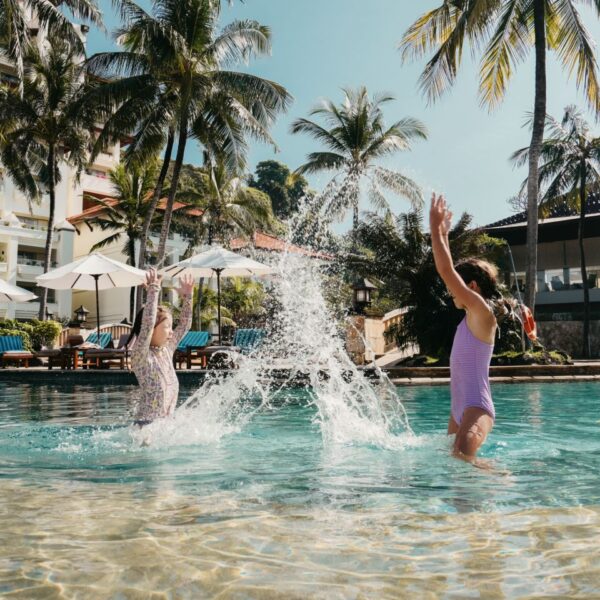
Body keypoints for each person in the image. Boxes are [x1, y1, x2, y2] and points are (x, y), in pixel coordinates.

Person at [429, 194, 497, 462]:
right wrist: (443, 235)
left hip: (476, 409)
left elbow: (446, 271)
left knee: (465, 460)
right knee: (456, 471)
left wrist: (434, 229)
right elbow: (449, 271)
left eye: (455, 287)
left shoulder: (483, 314)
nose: (450, 292)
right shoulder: (468, 320)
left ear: (472, 287)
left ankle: (507, 487)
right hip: (458, 411)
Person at [128, 268, 194, 426]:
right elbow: (147, 325)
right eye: (168, 327)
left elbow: (184, 325)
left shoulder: (166, 351)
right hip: (145, 428)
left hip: (164, 429)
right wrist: (153, 290)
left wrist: (188, 297)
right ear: (153, 329)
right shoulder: (141, 356)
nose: (172, 332)